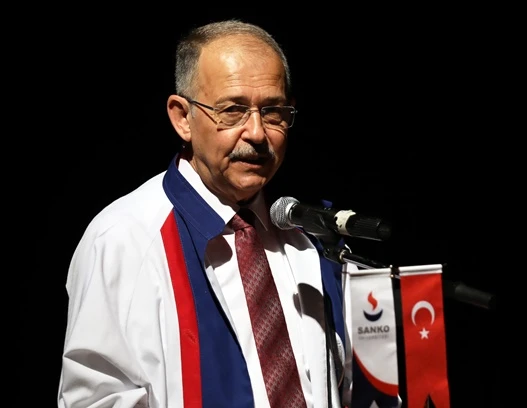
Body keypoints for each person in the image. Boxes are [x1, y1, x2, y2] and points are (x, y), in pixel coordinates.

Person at [58, 19, 350, 408]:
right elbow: (96, 399)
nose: (257, 133)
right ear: (182, 117)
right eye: (233, 110)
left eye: (273, 111)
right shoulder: (123, 238)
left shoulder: (313, 236)